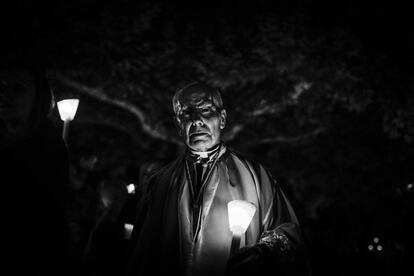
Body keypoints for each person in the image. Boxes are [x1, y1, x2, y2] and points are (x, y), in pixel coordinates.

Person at [126, 82, 309, 276]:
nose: (196, 120)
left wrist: (263, 252)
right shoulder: (160, 183)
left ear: (222, 119)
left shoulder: (255, 176)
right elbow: (141, 254)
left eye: (205, 110)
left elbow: (289, 233)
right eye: (187, 113)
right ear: (179, 124)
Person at [0, 61, 70, 275]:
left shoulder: (50, 148)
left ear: (38, 98)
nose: (5, 94)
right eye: (1, 87)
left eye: (18, 88)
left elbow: (49, 217)